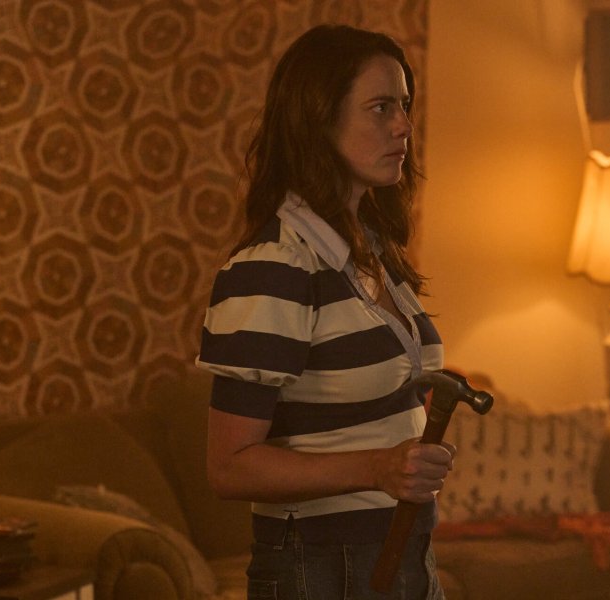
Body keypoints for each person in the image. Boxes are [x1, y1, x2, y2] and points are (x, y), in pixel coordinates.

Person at [196, 24, 453, 600]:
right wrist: (377, 467)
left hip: (403, 545)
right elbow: (228, 466)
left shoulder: (371, 250)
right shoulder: (277, 265)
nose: (403, 126)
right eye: (381, 108)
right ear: (318, 119)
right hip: (320, 564)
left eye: (405, 106)